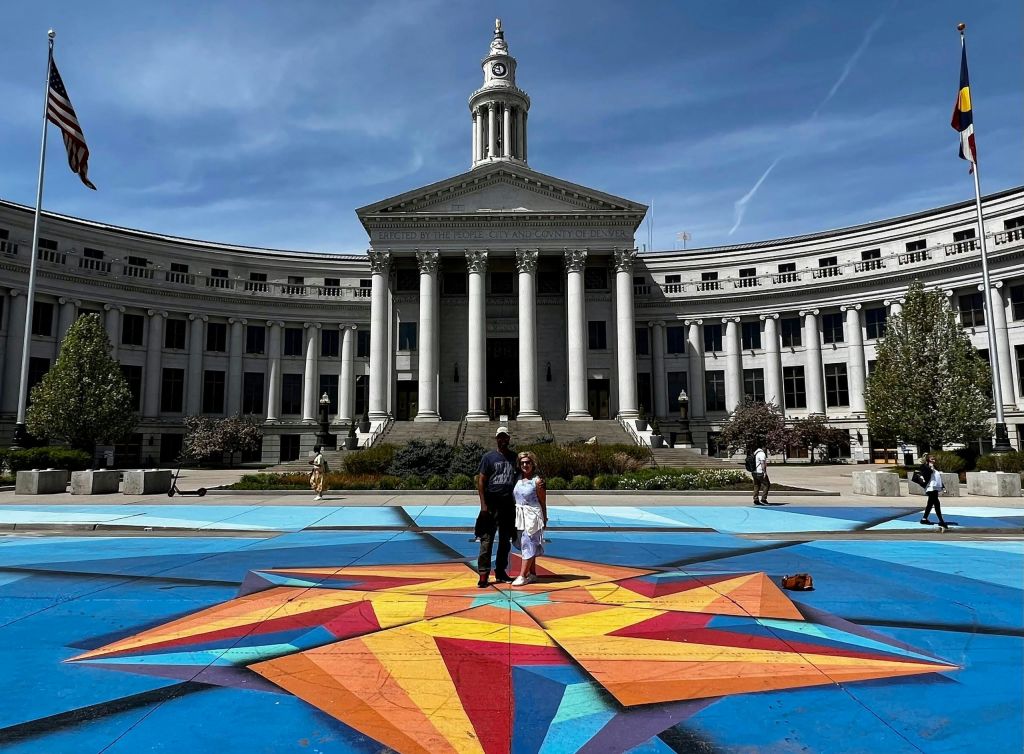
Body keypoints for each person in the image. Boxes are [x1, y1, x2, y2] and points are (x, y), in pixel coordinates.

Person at [476, 426, 518, 587]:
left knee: (505, 541)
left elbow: (524, 474)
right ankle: (483, 573)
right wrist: (483, 506)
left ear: (508, 439)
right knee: (486, 539)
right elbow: (481, 481)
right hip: (491, 503)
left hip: (507, 504)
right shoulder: (489, 457)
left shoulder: (514, 458)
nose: (502, 440)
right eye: (500, 437)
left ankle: (500, 571)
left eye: (505, 437)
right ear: (496, 439)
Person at [512, 451, 548, 587]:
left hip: (532, 515)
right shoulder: (518, 479)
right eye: (522, 463)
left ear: (533, 464)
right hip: (520, 515)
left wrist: (544, 518)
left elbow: (543, 501)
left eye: (528, 462)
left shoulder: (537, 481)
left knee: (528, 541)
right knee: (525, 543)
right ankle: (532, 573)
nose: (525, 465)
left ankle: (522, 575)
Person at [918, 454, 949, 529]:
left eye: (934, 459)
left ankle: (924, 519)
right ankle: (941, 521)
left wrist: (943, 487)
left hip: (935, 488)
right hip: (929, 488)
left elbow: (937, 478)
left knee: (930, 504)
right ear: (928, 459)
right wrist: (930, 468)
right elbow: (925, 475)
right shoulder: (925, 466)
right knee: (937, 503)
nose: (934, 461)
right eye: (932, 459)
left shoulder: (935, 468)